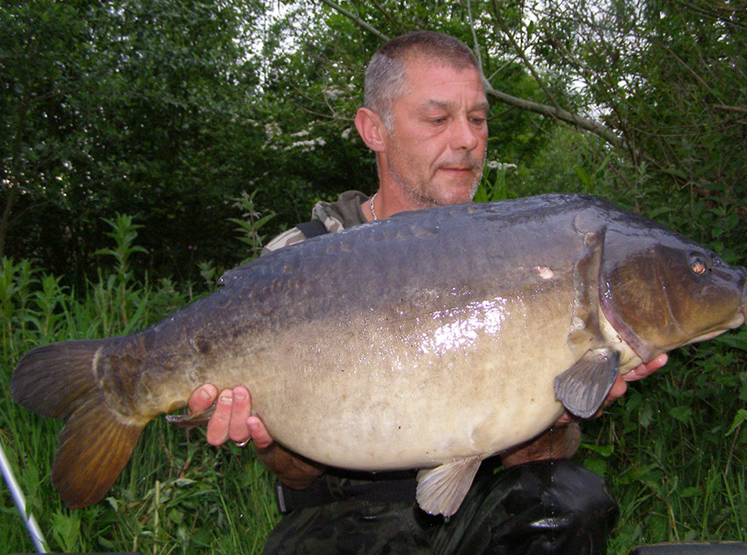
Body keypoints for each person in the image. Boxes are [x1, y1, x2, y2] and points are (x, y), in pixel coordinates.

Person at [188, 31, 668, 554]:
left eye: (478, 119)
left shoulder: (523, 255)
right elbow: (296, 475)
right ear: (375, 129)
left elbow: (538, 462)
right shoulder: (298, 261)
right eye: (438, 119)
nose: (466, 139)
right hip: (344, 523)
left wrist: (568, 403)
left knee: (568, 500)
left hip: (478, 509)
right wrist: (265, 429)